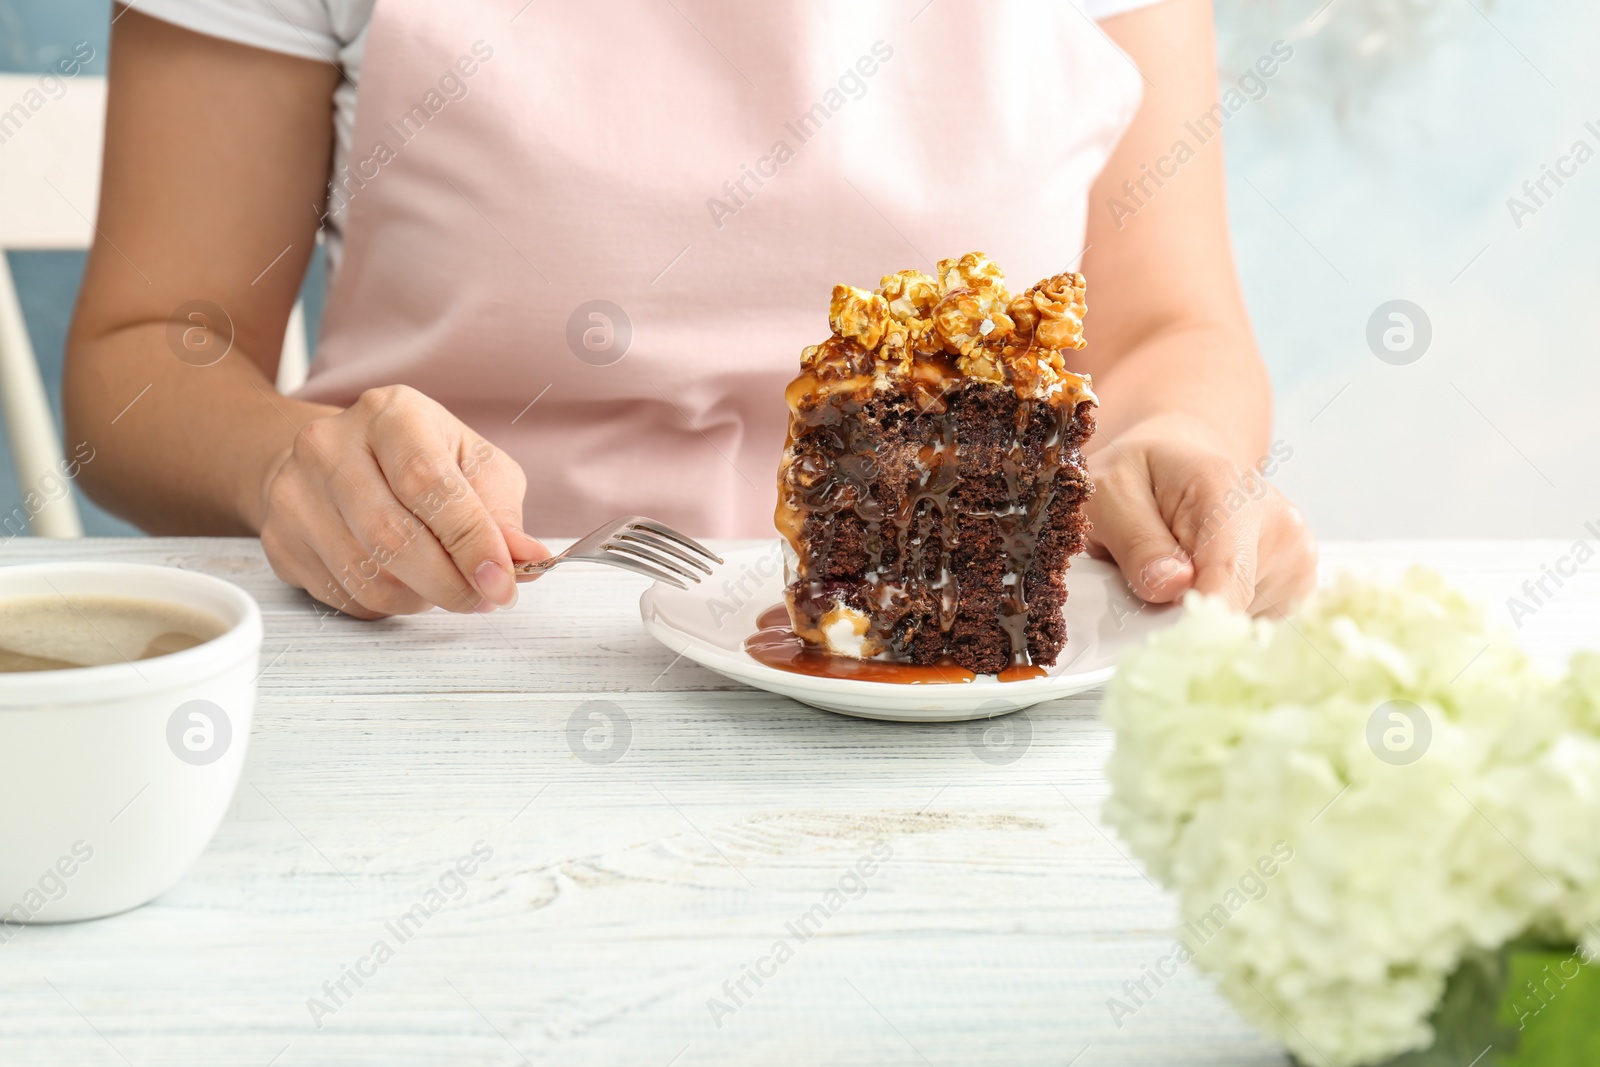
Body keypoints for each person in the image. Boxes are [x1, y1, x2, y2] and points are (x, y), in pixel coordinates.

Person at [64, 0, 1316, 620]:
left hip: (959, 654)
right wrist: (291, 458)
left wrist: (1166, 446)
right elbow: (150, 350)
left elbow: (1167, 332)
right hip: (451, 645)